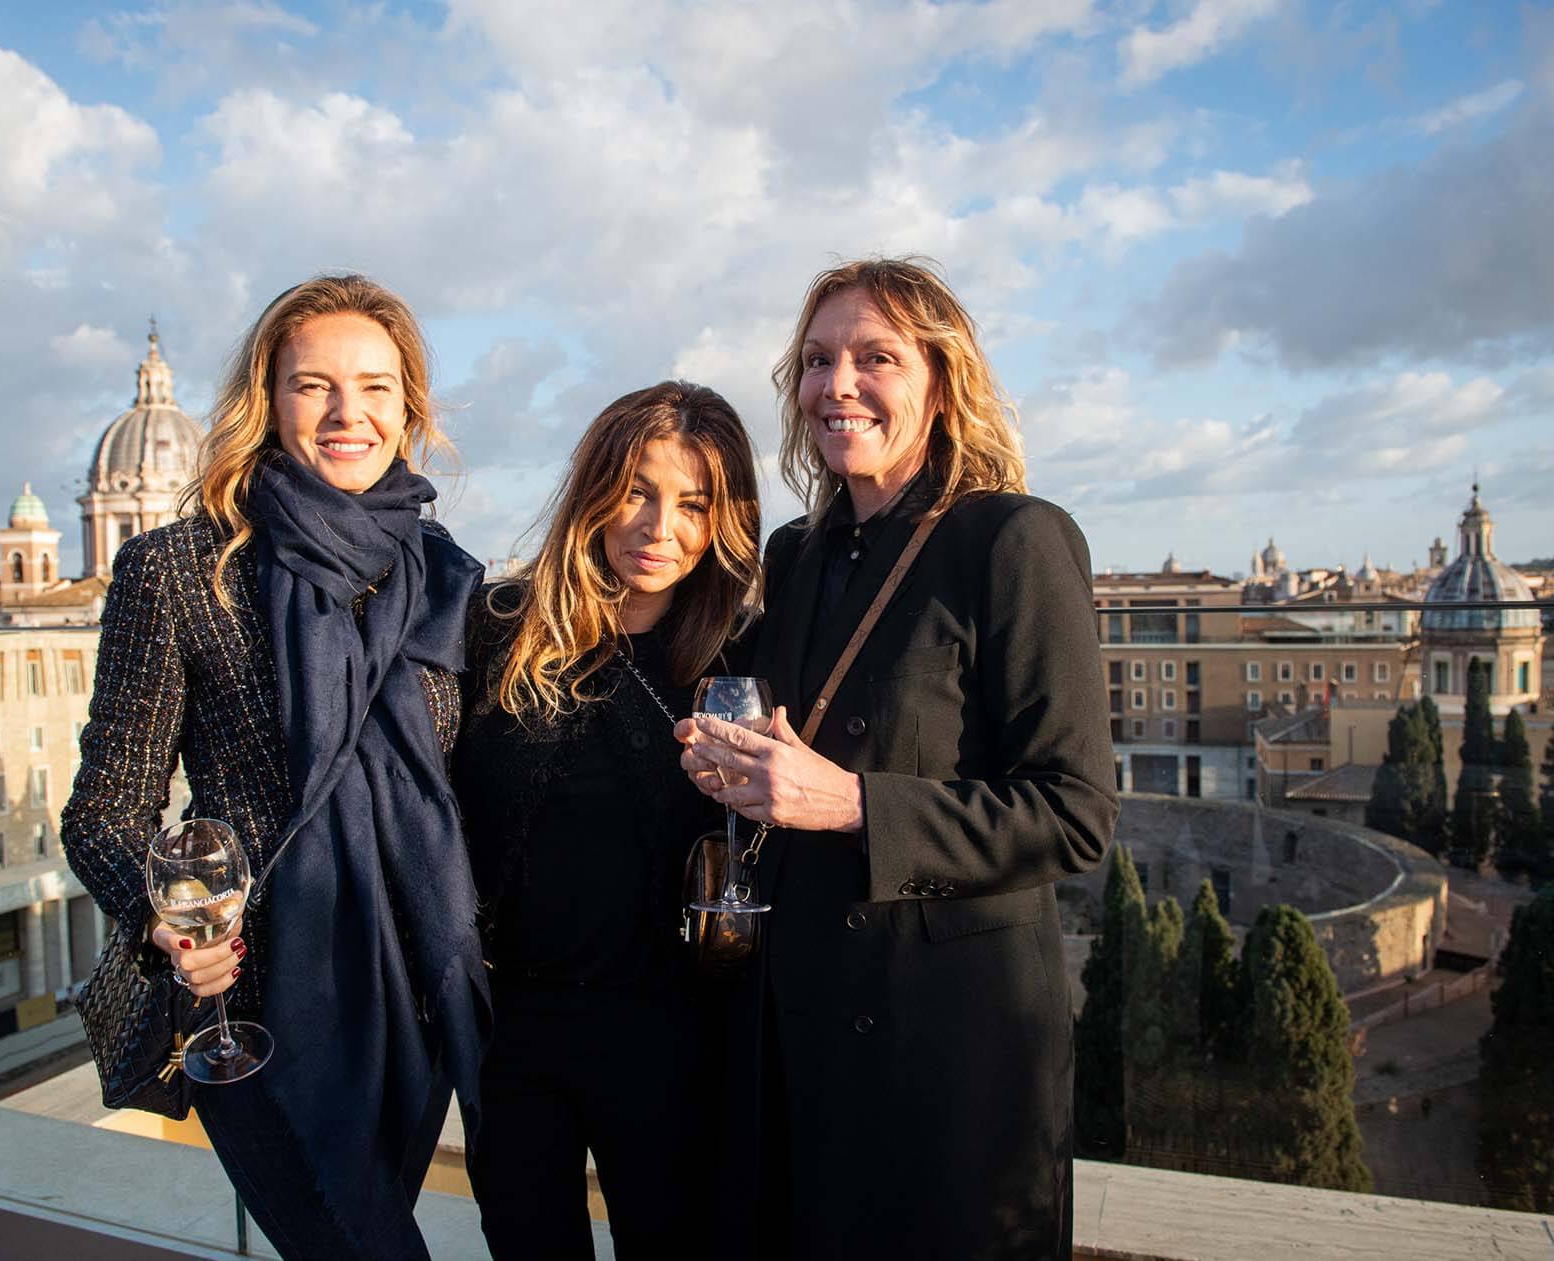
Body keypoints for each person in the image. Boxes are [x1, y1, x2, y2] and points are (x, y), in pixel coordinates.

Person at [676, 258, 1118, 1259]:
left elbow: (1076, 811)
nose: (839, 384)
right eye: (818, 360)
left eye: (875, 357)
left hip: (947, 1050)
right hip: (794, 1031)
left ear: (941, 379)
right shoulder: (796, 554)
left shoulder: (1015, 539)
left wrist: (854, 805)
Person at [61, 274, 488, 1260]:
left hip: (414, 994)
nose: (349, 413)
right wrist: (166, 916)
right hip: (250, 1004)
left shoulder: (444, 576)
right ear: (269, 398)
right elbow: (106, 810)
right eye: (315, 386)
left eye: (377, 387)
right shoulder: (177, 568)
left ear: (409, 404)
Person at [456, 381, 762, 1260]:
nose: (658, 526)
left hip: (672, 1037)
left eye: (693, 502)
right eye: (636, 489)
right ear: (593, 490)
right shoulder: (496, 630)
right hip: (513, 1033)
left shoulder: (737, 655)